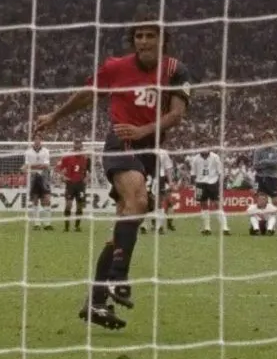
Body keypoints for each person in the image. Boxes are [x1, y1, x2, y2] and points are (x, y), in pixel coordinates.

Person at [33, 18, 192, 330]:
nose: (143, 41)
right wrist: (55, 116)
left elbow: (176, 115)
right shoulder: (116, 67)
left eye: (150, 36)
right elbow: (86, 94)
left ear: (163, 40)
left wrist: (144, 129)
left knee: (125, 220)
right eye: (138, 36)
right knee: (139, 197)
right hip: (120, 141)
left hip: (148, 149)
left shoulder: (175, 70)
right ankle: (120, 277)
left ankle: (95, 302)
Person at [190, 148, 229, 235]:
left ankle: (225, 228)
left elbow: (220, 172)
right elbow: (193, 174)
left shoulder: (215, 157)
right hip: (200, 183)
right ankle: (207, 228)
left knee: (217, 204)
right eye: (202, 146)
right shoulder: (195, 159)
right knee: (203, 204)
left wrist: (220, 184)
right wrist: (194, 185)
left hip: (213, 182)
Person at [55, 142, 92, 231]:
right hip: (70, 184)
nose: (78, 149)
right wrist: (63, 177)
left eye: (79, 148)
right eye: (76, 148)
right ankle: (66, 227)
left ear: (82, 148)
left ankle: (77, 226)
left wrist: (87, 178)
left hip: (80, 185)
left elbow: (89, 171)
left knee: (80, 206)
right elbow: (57, 168)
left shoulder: (86, 159)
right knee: (69, 205)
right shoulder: (67, 158)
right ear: (74, 148)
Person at [23, 139, 54, 229]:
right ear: (33, 141)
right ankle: (37, 224)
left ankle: (47, 224)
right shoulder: (28, 152)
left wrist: (33, 165)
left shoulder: (46, 151)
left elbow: (46, 165)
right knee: (35, 200)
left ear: (41, 141)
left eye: (39, 140)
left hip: (44, 177)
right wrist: (38, 165)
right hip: (33, 178)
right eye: (35, 139)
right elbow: (26, 165)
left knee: (46, 200)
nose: (37, 141)